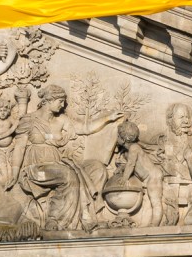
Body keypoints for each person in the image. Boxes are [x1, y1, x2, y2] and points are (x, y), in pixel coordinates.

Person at [7, 84, 120, 230]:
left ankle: (90, 214)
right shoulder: (28, 120)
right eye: (60, 101)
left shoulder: (61, 120)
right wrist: (14, 174)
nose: (62, 105)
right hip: (36, 170)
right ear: (48, 100)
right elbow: (19, 148)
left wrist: (108, 118)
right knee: (67, 174)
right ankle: (56, 221)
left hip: (57, 165)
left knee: (96, 168)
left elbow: (85, 128)